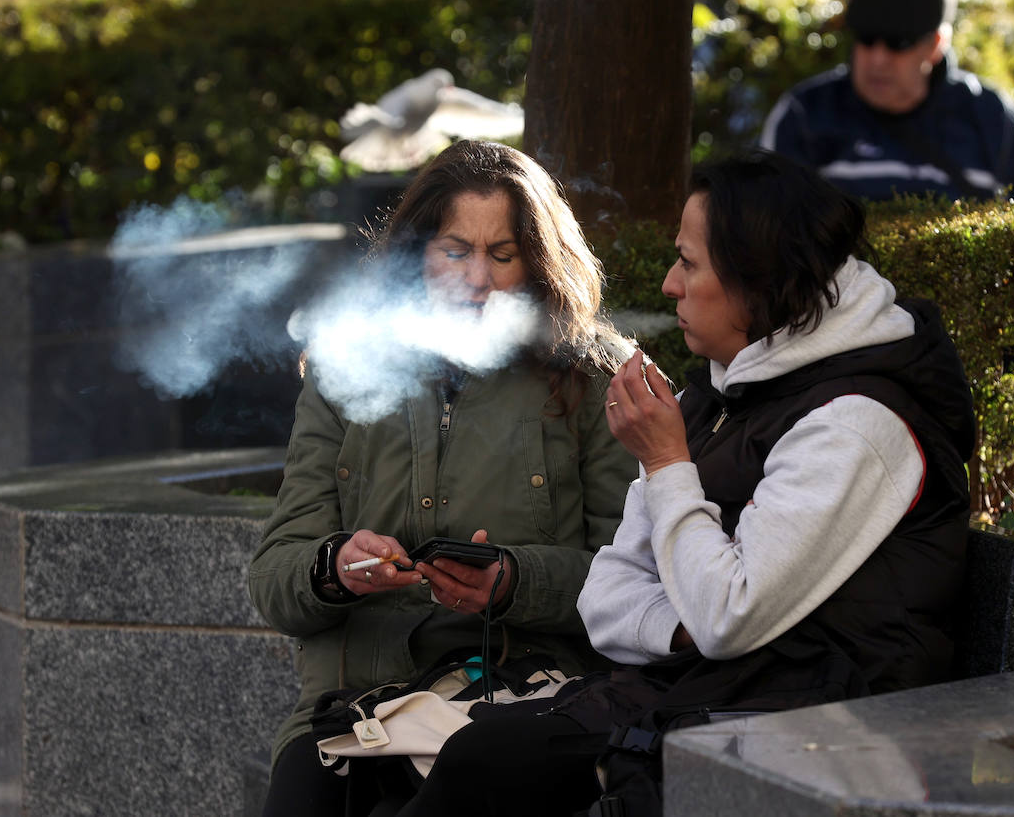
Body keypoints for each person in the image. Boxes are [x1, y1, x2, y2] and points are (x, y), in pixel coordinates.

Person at [392, 150, 978, 817]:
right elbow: (606, 604)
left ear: (758, 278)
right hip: (706, 696)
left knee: (485, 764)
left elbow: (726, 617)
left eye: (689, 263)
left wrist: (669, 464)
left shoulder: (855, 423)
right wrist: (686, 626)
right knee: (452, 762)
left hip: (818, 732)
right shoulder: (723, 397)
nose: (671, 285)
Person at [248, 139, 637, 817]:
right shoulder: (345, 367)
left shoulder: (591, 377)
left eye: (502, 255)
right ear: (415, 254)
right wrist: (335, 568)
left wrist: (513, 582)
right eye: (455, 251)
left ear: (538, 263)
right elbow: (275, 580)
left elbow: (636, 582)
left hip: (520, 697)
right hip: (352, 712)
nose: (477, 279)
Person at [759, 0, 1014, 202]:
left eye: (898, 43)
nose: (877, 59)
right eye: (866, 39)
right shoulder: (805, 114)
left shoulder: (993, 117)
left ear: (935, 45)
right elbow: (763, 224)